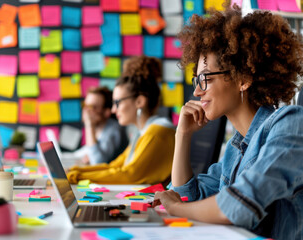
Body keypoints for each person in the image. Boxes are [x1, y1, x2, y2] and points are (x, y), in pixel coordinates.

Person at [153, 5, 303, 240]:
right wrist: (182, 135)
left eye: (204, 79)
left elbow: (238, 207)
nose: (197, 92)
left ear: (243, 78)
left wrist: (175, 209)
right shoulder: (236, 147)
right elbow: (187, 196)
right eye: (196, 80)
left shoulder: (290, 124)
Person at [67, 56, 176, 184]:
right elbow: (115, 166)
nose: (113, 110)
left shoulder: (157, 131)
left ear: (139, 101)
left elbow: (129, 174)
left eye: (117, 103)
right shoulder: (143, 132)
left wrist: (76, 176)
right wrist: (74, 171)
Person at [73, 86, 128, 165]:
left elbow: (98, 162)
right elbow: (88, 150)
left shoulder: (113, 130)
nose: (86, 111)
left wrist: (89, 125)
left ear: (107, 112)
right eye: (85, 105)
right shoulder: (100, 128)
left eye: (92, 107)